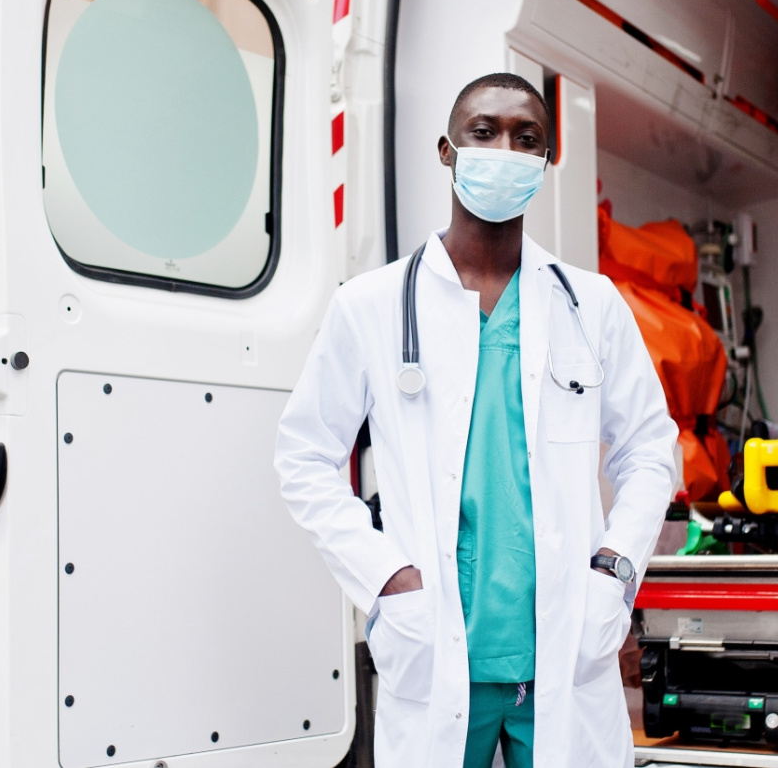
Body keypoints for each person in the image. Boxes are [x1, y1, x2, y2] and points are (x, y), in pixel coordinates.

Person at [275, 73, 678, 768]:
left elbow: (649, 449)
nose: (504, 151)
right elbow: (304, 456)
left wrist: (615, 567)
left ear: (546, 161)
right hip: (433, 644)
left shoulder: (591, 304)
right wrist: (384, 575)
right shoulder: (371, 305)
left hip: (563, 646)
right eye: (484, 132)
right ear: (447, 150)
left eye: (527, 138)